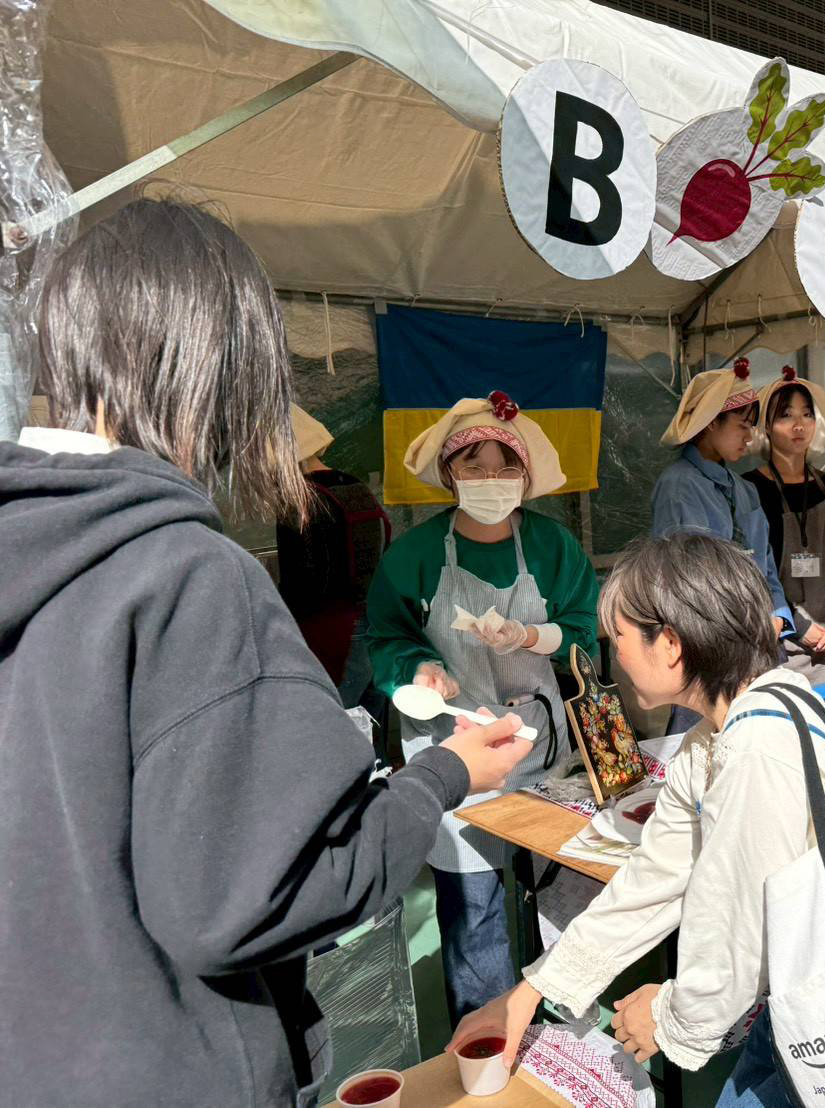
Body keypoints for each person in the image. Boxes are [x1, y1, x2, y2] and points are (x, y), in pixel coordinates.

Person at [0, 198, 533, 1106]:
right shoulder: (188, 574)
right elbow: (257, 893)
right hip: (177, 1068)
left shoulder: (34, 548)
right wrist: (441, 772)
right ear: (227, 372)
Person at [445, 533, 825, 1107]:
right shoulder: (734, 726)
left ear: (671, 644)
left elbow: (734, 920)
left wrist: (671, 1017)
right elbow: (655, 877)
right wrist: (531, 992)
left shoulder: (755, 748)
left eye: (621, 635)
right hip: (818, 985)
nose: (616, 653)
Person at [366, 389, 599, 1024]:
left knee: (557, 894)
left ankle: (561, 1032)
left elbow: (585, 629)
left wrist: (533, 636)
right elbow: (386, 636)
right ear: (449, 474)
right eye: (475, 465)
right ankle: (486, 1039)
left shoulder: (552, 547)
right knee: (474, 908)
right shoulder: (415, 555)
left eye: (505, 466)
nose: (491, 479)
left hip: (538, 746)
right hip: (456, 750)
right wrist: (420, 668)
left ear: (526, 475)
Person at [651, 357, 792, 730]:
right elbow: (683, 583)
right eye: (742, 425)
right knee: (706, 750)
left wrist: (779, 615)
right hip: (710, 652)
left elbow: (765, 566)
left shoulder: (745, 490)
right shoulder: (678, 486)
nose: (749, 437)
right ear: (711, 422)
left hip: (760, 645)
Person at [277, 405, 393, 732]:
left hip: (331, 632)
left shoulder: (301, 500)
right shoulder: (355, 484)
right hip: (374, 624)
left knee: (331, 729)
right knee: (370, 727)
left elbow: (299, 583)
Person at [744, 366, 825, 683]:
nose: (799, 425)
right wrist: (798, 626)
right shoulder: (750, 489)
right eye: (786, 415)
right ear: (766, 426)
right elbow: (753, 575)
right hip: (777, 645)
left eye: (807, 414)